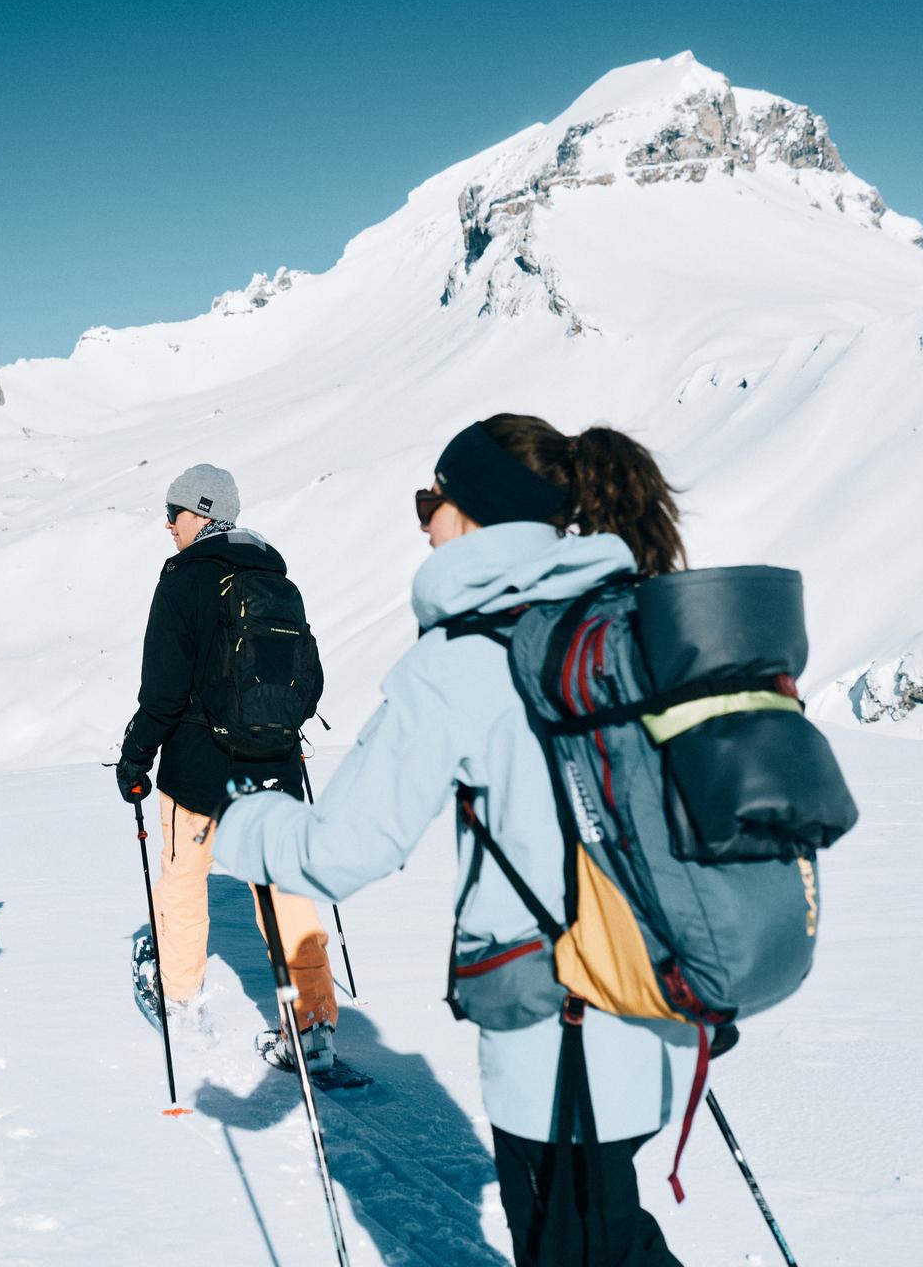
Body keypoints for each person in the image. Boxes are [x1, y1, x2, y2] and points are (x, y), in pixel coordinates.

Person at [211, 417, 696, 1265]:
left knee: (581, 1245)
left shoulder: (468, 653)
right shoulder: (626, 619)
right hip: (649, 997)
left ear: (476, 511)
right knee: (609, 1236)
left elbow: (342, 848)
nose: (424, 518)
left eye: (431, 497)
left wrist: (244, 823)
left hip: (554, 1028)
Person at [114, 464, 339, 1071]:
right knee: (284, 890)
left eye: (175, 512)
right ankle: (313, 1021)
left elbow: (162, 690)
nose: (168, 524)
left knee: (185, 879)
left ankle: (181, 996)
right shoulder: (274, 577)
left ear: (203, 514)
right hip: (275, 767)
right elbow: (307, 682)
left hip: (197, 771)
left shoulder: (184, 581)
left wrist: (137, 756)